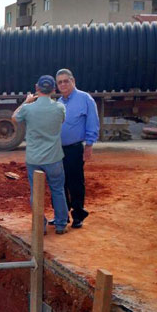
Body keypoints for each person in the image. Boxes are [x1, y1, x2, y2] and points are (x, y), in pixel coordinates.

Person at [12, 75, 68, 234]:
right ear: (54, 89)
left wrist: (27, 101)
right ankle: (61, 225)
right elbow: (61, 121)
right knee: (58, 190)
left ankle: (40, 224)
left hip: (34, 159)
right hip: (54, 158)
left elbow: (14, 118)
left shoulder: (28, 109)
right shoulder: (59, 108)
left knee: (36, 192)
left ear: (37, 88)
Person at [53, 68, 100, 229]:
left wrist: (89, 145)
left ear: (73, 81)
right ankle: (62, 215)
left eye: (66, 81)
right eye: (60, 82)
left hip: (75, 149)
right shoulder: (58, 103)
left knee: (76, 183)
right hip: (58, 150)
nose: (63, 84)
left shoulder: (85, 99)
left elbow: (93, 122)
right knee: (60, 183)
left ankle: (78, 215)